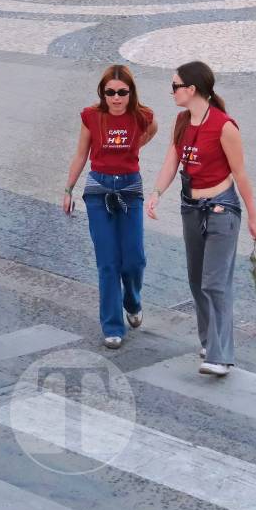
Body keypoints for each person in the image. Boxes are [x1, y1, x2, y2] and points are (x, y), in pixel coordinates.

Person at [144, 62, 256, 377]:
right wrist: (157, 192)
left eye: (175, 86)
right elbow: (173, 158)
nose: (171, 92)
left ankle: (220, 356)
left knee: (215, 282)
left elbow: (241, 174)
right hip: (191, 207)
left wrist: (253, 216)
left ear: (192, 89)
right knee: (196, 280)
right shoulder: (182, 121)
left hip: (222, 209)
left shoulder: (225, 127)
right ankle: (209, 340)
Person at [63, 65, 157, 349]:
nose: (116, 98)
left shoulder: (142, 116)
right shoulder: (91, 116)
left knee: (134, 258)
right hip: (98, 190)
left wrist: (133, 149)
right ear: (102, 93)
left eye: (122, 92)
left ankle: (132, 301)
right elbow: (81, 154)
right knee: (107, 262)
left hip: (129, 189)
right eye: (110, 92)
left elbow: (151, 131)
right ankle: (112, 325)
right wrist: (68, 189)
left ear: (131, 93)